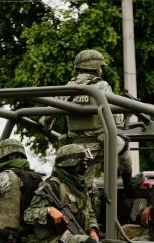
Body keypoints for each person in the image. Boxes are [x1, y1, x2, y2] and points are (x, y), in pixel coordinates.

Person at [46, 49, 133, 207]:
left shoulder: (67, 87)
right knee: (124, 145)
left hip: (73, 148)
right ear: (98, 68)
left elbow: (45, 118)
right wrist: (125, 114)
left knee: (83, 187)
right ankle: (129, 187)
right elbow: (116, 121)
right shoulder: (101, 86)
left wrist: (48, 129)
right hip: (97, 146)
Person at [23, 143, 99, 243]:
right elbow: (28, 214)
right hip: (49, 242)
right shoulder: (51, 186)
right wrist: (49, 210)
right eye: (81, 165)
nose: (84, 168)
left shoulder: (80, 188)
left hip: (73, 236)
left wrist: (93, 230)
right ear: (71, 166)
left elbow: (89, 213)